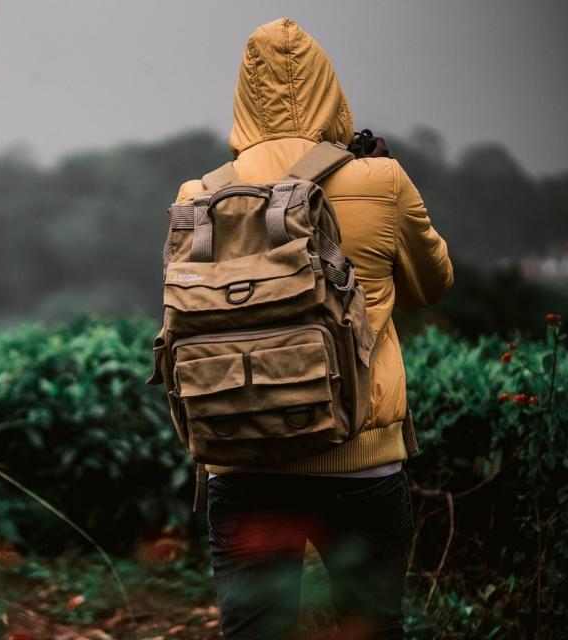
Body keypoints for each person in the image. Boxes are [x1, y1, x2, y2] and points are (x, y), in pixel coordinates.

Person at [172, 18, 454, 640]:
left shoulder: (202, 195)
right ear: (332, 91)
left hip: (242, 459)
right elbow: (433, 286)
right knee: (372, 627)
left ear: (244, 98)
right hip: (360, 462)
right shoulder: (380, 180)